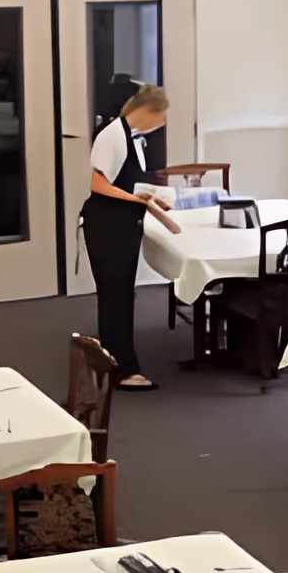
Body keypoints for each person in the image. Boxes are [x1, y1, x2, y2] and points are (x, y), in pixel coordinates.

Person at [82, 82, 180, 392]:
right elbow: (99, 185)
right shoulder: (112, 136)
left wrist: (149, 197)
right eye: (161, 115)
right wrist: (139, 201)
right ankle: (124, 370)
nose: (162, 122)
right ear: (146, 111)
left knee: (120, 295)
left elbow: (127, 182)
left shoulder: (134, 138)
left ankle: (111, 358)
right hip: (106, 224)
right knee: (116, 297)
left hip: (122, 223)